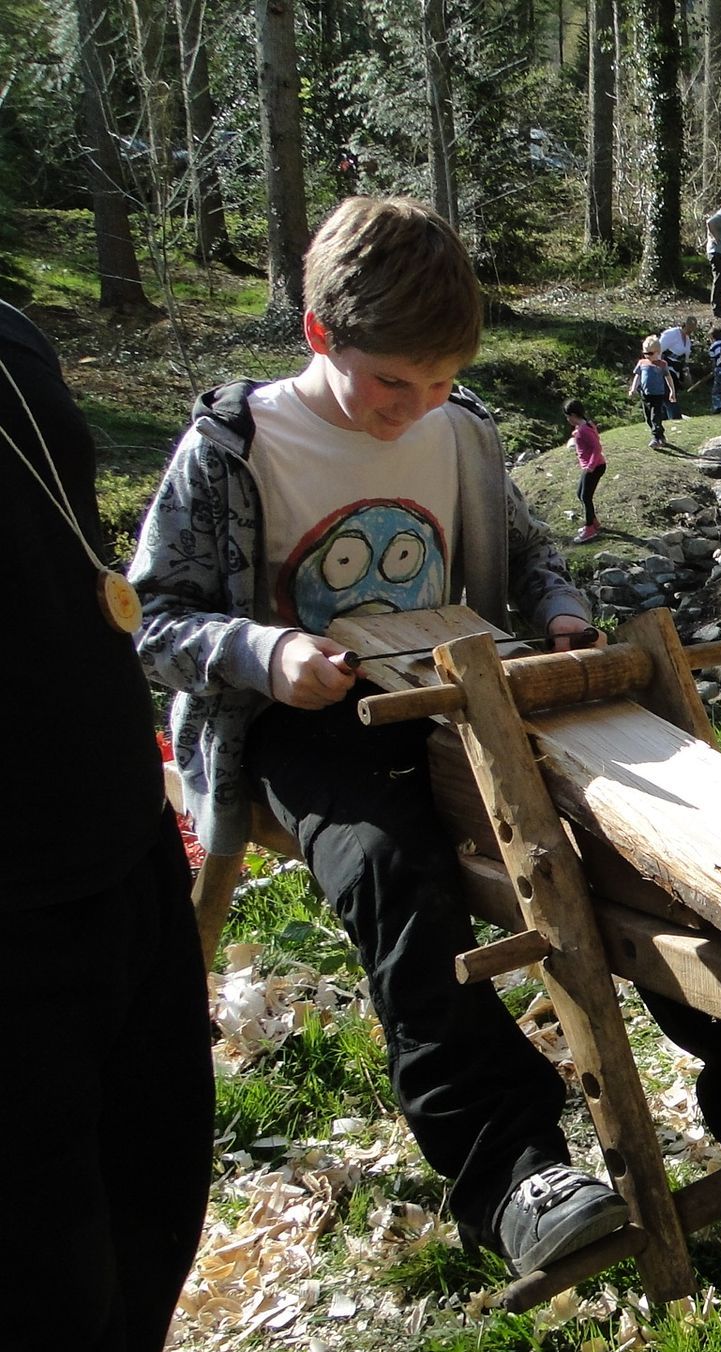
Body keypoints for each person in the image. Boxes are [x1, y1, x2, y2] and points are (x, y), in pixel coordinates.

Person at [131, 196, 632, 1283]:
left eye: (442, 381)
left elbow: (531, 551)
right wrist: (270, 657)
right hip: (306, 729)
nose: (418, 408)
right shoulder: (230, 449)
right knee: (401, 884)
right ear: (320, 334)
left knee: (629, 832)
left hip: (458, 699)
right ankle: (512, 1175)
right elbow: (154, 625)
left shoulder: (459, 430)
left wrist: (558, 612)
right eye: (393, 382)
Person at [2, 299, 212, 1352]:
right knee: (42, 1295)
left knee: (156, 1189)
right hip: (14, 909)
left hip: (122, 858)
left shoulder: (16, 340)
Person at [565, 398, 607, 540]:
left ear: (573, 415)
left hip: (594, 467)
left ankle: (589, 529)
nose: (567, 419)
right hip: (593, 466)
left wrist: (590, 466)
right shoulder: (585, 426)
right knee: (580, 494)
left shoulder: (584, 430)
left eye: (568, 416)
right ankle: (594, 522)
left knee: (585, 497)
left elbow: (597, 448)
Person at [628, 336, 676, 449]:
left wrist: (672, 391)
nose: (647, 356)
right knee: (649, 418)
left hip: (658, 395)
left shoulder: (662, 365)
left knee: (655, 416)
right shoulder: (642, 363)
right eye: (645, 353)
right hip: (645, 395)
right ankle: (660, 435)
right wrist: (633, 388)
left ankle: (655, 438)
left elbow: (668, 378)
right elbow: (638, 376)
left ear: (658, 352)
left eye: (650, 353)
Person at [658, 316, 694, 418]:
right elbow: (658, 350)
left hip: (676, 372)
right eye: (690, 327)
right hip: (665, 370)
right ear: (684, 325)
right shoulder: (671, 334)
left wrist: (686, 373)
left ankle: (665, 418)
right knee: (668, 395)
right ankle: (674, 417)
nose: (691, 330)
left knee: (671, 395)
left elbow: (685, 359)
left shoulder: (687, 340)